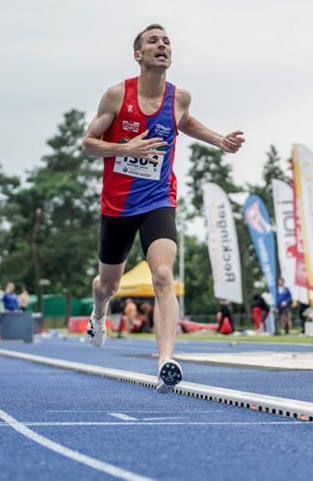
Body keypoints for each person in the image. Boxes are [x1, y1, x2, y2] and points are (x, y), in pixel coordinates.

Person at [81, 23, 245, 393]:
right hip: (118, 205)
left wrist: (220, 140)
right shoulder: (115, 96)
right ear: (138, 54)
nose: (162, 46)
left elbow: (183, 122)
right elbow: (88, 144)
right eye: (153, 41)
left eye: (167, 41)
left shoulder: (179, 98)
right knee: (108, 285)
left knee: (163, 276)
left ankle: (166, 360)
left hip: (158, 200)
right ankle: (98, 313)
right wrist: (125, 148)